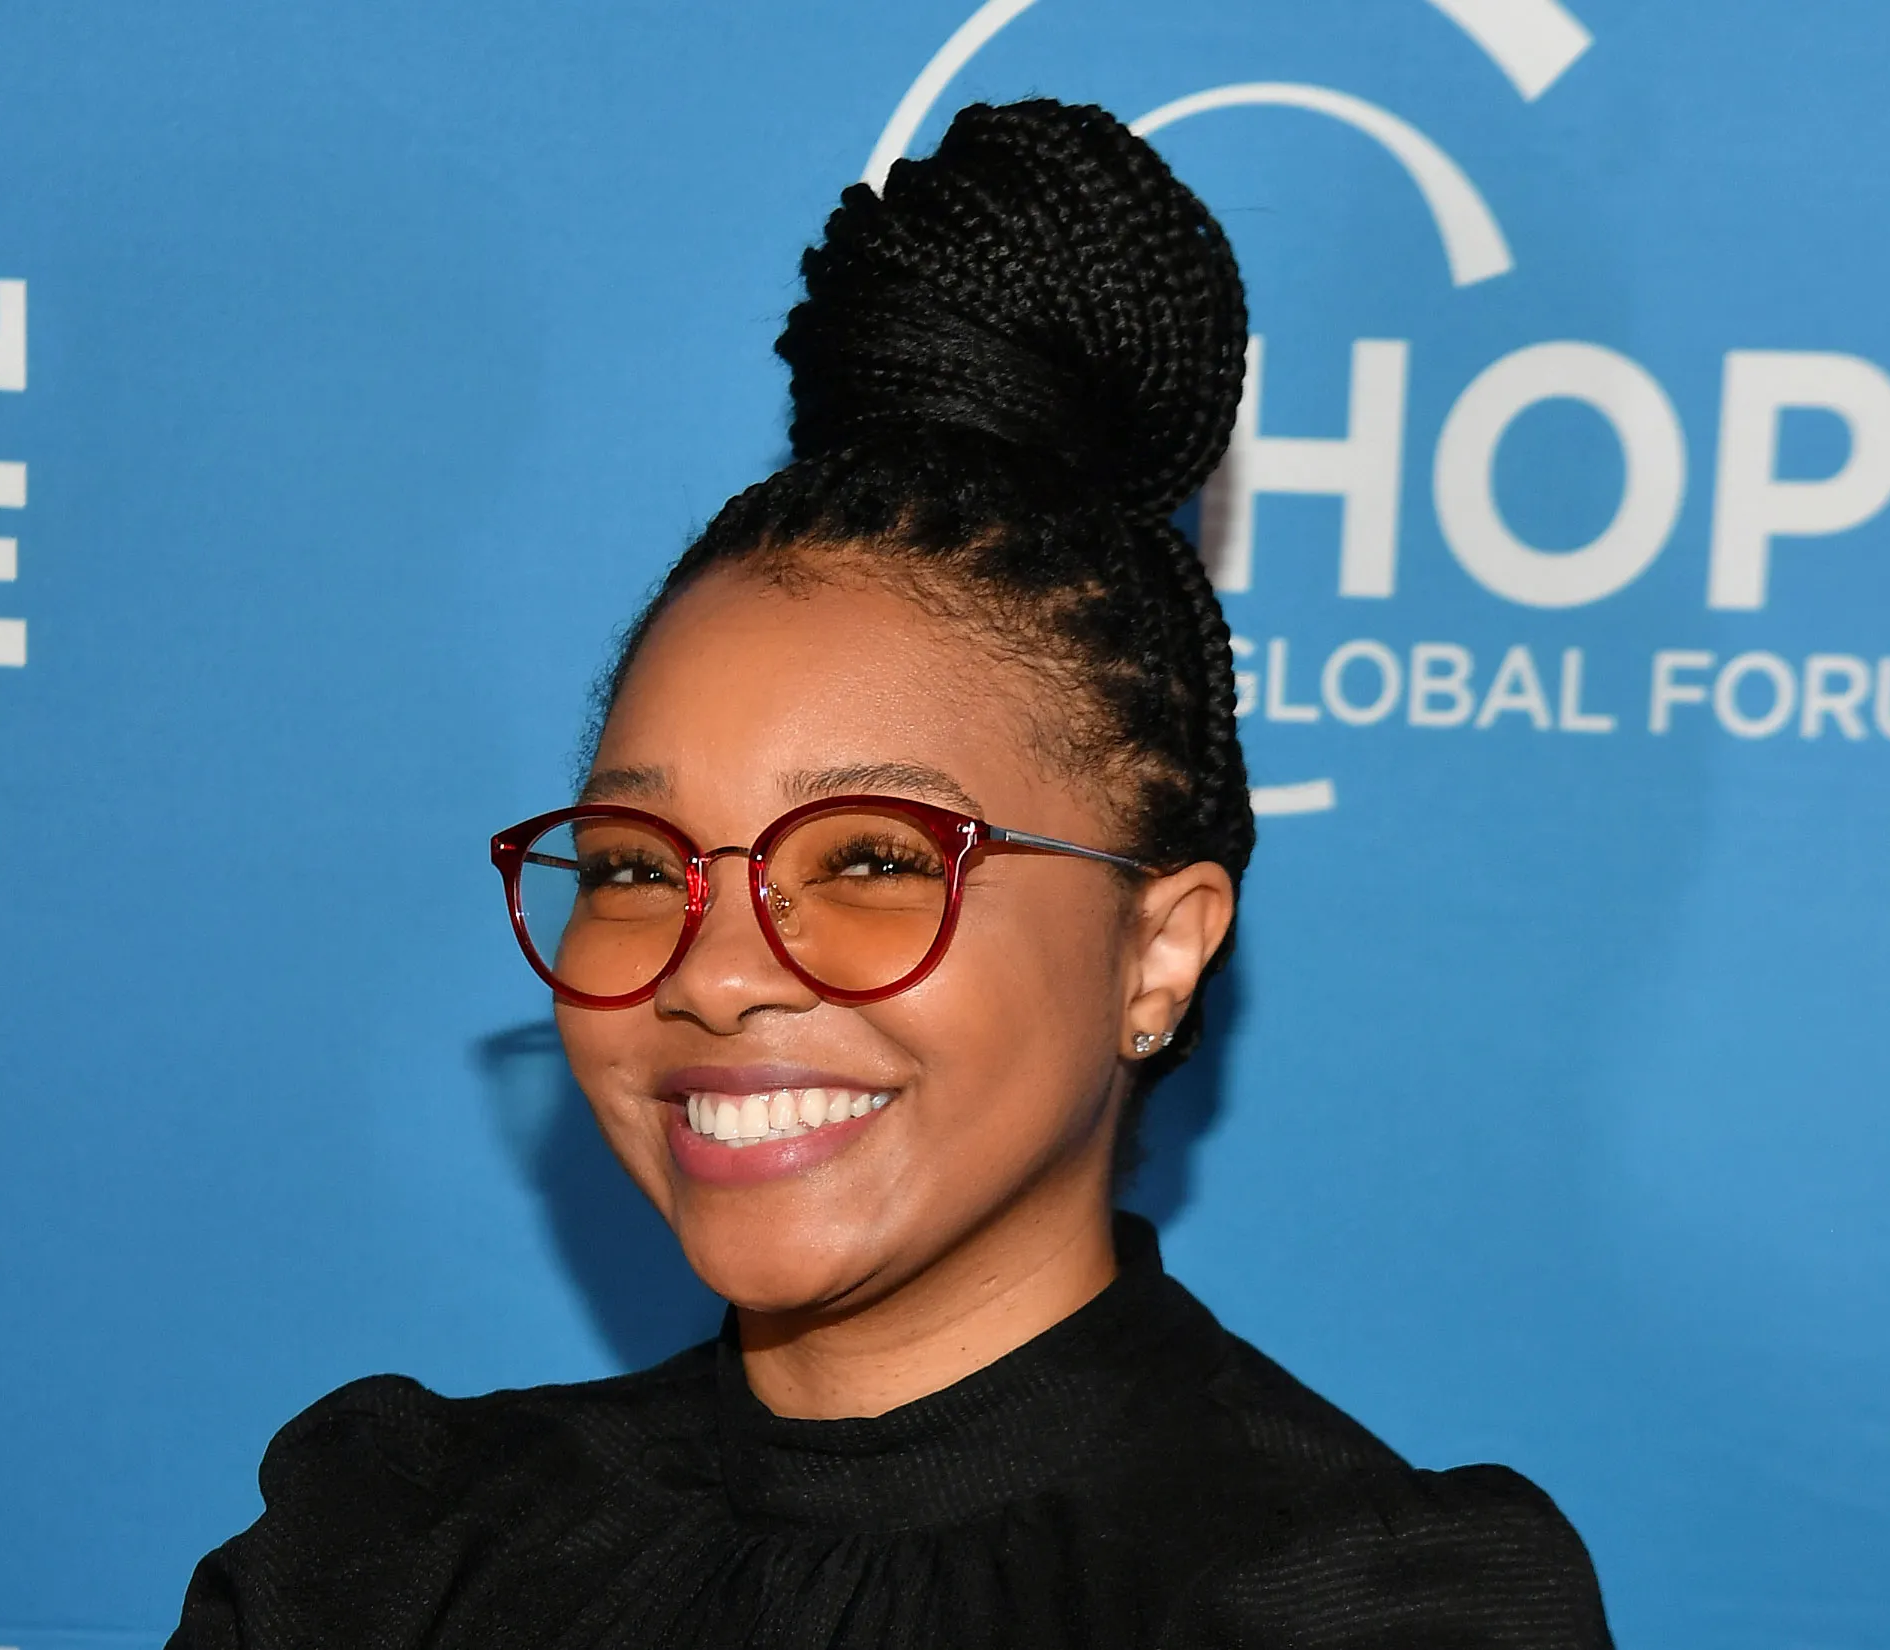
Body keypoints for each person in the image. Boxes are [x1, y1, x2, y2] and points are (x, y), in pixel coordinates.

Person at [168, 98, 1612, 1649]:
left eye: (869, 856)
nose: (710, 969)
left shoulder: (1360, 1609)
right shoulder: (388, 1555)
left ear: (1159, 951)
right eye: (635, 865)